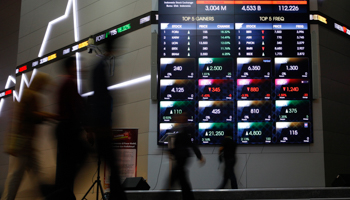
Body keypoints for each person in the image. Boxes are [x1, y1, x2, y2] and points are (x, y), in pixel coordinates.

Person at [1, 71, 55, 200]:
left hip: (25, 141)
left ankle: (44, 195)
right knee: (20, 173)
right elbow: (32, 116)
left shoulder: (26, 94)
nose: (44, 87)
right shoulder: (31, 95)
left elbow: (21, 119)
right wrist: (47, 115)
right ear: (39, 83)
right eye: (43, 84)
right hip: (26, 141)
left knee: (31, 172)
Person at [90, 38, 127, 200]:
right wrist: (105, 125)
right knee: (113, 164)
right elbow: (101, 98)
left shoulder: (99, 67)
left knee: (112, 163)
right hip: (102, 125)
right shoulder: (100, 67)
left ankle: (117, 197)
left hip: (101, 125)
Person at [52, 56, 90, 198]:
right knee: (74, 162)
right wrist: (87, 128)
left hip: (64, 130)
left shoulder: (65, 83)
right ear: (69, 67)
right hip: (68, 130)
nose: (78, 69)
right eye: (75, 66)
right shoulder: (69, 83)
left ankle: (61, 192)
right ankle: (60, 192)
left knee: (66, 167)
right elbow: (77, 108)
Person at [162, 114, 205, 200]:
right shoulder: (182, 131)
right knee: (183, 182)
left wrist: (200, 156)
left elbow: (190, 145)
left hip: (182, 159)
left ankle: (163, 197)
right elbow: (184, 146)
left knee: (174, 180)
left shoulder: (185, 131)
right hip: (182, 158)